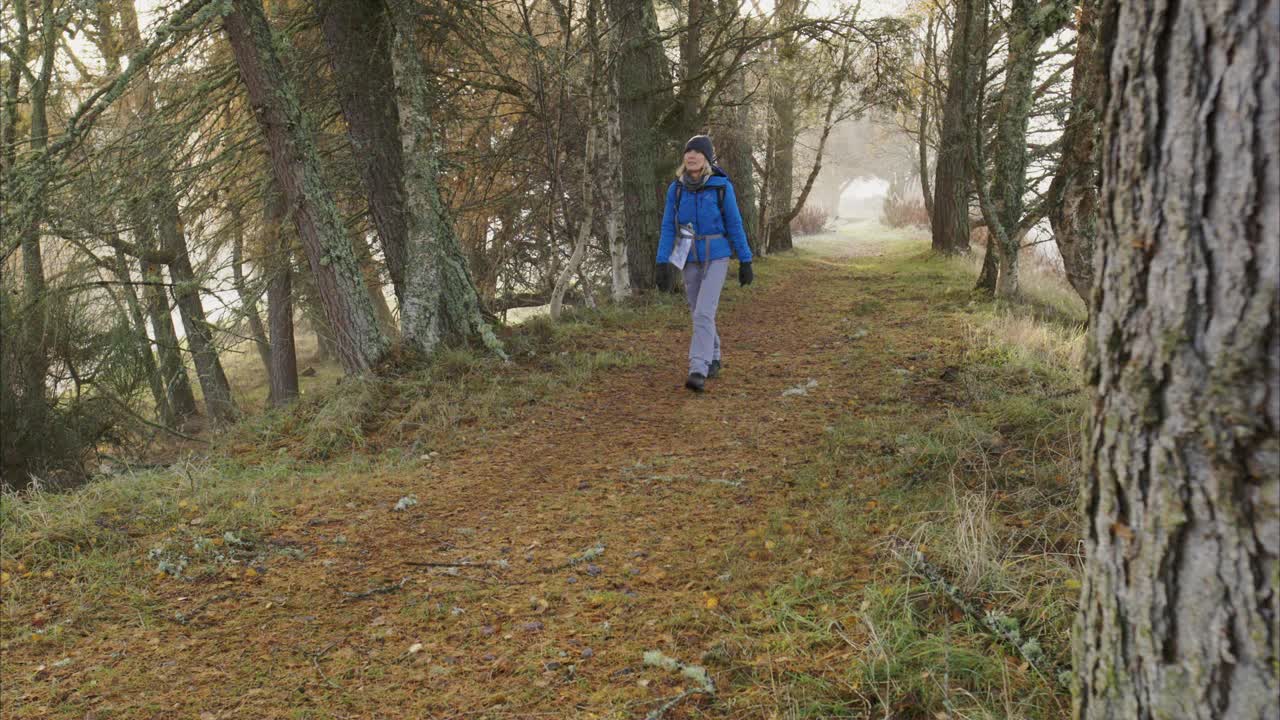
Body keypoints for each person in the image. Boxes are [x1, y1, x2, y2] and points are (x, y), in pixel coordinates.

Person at [655, 135, 754, 393]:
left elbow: (734, 224)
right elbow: (667, 226)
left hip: (717, 256)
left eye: (697, 153)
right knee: (699, 311)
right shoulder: (675, 189)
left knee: (703, 312)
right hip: (688, 256)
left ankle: (698, 369)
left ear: (707, 159)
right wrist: (662, 261)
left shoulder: (721, 187)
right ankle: (715, 355)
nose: (691, 156)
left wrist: (745, 260)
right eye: (688, 152)